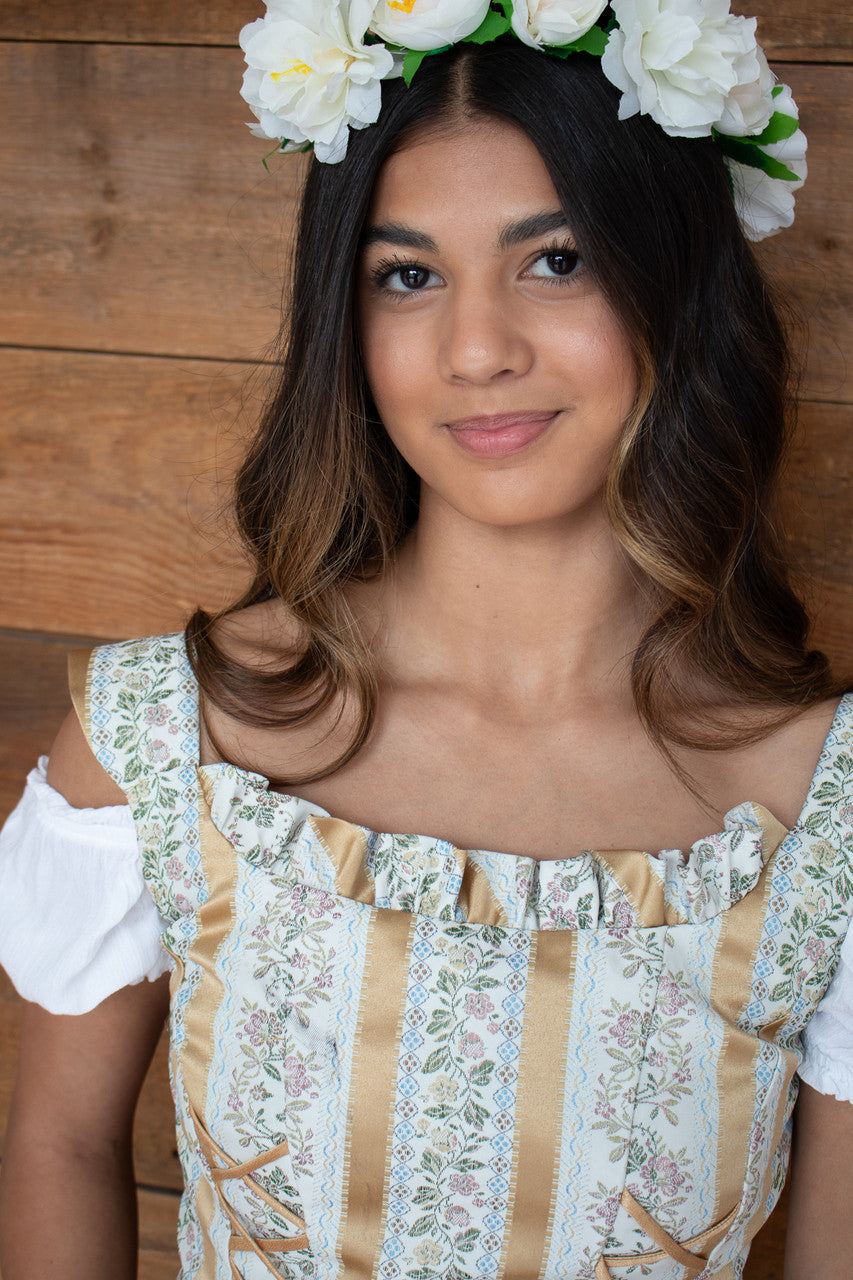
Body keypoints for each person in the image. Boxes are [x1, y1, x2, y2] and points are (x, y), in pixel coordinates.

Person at [0, 3, 851, 1277]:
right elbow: (57, 1142)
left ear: (676, 280)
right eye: (408, 275)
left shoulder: (824, 810)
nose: (474, 349)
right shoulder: (166, 741)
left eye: (555, 259)